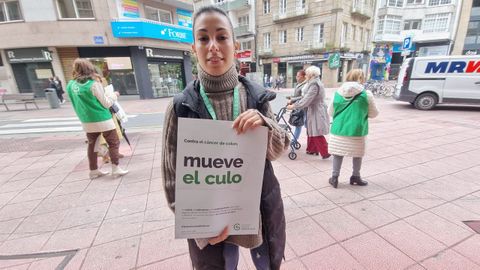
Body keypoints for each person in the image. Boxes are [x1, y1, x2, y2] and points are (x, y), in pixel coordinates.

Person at [161, 6, 289, 270]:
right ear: (193, 47)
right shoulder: (180, 107)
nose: (213, 46)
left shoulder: (256, 96)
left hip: (258, 211)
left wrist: (265, 126)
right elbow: (172, 177)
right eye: (203, 38)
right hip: (211, 221)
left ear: (235, 44)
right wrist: (198, 226)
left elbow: (279, 150)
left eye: (221, 37)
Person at [66, 58, 129, 179]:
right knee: (113, 142)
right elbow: (106, 103)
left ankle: (93, 170)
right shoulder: (94, 84)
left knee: (92, 145)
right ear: (89, 69)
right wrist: (114, 95)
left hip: (86, 120)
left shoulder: (70, 85)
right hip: (102, 118)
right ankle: (115, 168)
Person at [327, 69, 379, 188]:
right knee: (357, 154)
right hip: (357, 129)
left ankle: (334, 178)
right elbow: (374, 113)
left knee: (338, 153)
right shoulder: (366, 94)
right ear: (361, 78)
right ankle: (356, 176)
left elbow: (330, 111)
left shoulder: (337, 93)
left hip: (339, 129)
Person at [287, 66, 330, 158]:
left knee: (316, 131)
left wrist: (294, 106)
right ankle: (312, 149)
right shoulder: (312, 82)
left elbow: (307, 99)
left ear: (311, 74)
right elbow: (305, 97)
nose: (305, 75)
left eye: (307, 73)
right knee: (311, 130)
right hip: (312, 109)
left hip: (316, 110)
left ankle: (325, 152)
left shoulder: (314, 84)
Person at [287, 70, 307, 143]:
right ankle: (295, 139)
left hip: (301, 107)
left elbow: (303, 97)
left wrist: (292, 99)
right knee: (299, 124)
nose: (296, 77)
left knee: (300, 124)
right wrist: (290, 97)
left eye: (298, 76)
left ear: (303, 77)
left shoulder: (305, 85)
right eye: (296, 76)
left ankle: (294, 140)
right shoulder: (299, 84)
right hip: (297, 106)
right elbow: (297, 95)